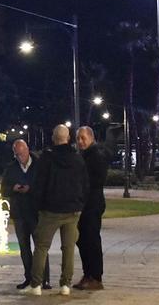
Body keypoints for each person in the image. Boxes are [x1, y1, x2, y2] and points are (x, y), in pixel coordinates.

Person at [29, 124, 87, 297]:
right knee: (68, 248)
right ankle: (65, 284)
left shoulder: (46, 159)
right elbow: (85, 184)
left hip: (50, 210)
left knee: (41, 247)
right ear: (68, 138)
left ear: (54, 138)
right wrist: (80, 203)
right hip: (72, 210)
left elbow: (39, 185)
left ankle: (36, 284)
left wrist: (38, 205)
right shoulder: (77, 159)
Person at [0, 139, 51, 291]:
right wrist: (13, 188)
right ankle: (29, 278)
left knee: (40, 246)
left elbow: (45, 185)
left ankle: (44, 279)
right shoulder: (11, 168)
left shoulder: (39, 165)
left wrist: (31, 189)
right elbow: (3, 189)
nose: (19, 157)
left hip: (35, 211)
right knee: (24, 247)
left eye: (21, 154)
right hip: (19, 213)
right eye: (16, 155)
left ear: (27, 150)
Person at [73, 126, 107, 291]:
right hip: (83, 205)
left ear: (91, 138)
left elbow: (96, 180)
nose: (80, 141)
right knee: (83, 241)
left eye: (83, 138)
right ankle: (88, 274)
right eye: (78, 138)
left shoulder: (95, 156)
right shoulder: (83, 156)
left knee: (91, 241)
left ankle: (95, 276)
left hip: (92, 205)